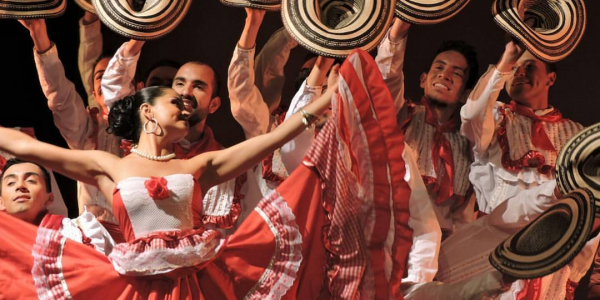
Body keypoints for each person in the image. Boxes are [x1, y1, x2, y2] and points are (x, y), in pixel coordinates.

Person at [0, 79, 337, 298]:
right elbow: (28, 147)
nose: (185, 107)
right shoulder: (111, 166)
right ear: (148, 111)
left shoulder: (199, 167)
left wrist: (326, 101)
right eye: (174, 102)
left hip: (195, 286)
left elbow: (273, 139)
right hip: (135, 288)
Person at [375, 18, 478, 240]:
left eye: (456, 73)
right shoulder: (402, 115)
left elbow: (461, 218)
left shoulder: (466, 147)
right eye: (439, 67)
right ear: (423, 79)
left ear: (465, 94)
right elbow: (387, 80)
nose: (444, 75)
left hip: (434, 257)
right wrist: (398, 32)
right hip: (386, 238)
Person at [19, 18, 122, 236]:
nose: (108, 83)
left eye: (116, 76)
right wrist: (40, 37)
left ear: (138, 85)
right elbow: (61, 97)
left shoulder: (151, 131)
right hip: (95, 243)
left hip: (139, 241)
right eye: (101, 78)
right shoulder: (87, 130)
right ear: (94, 93)